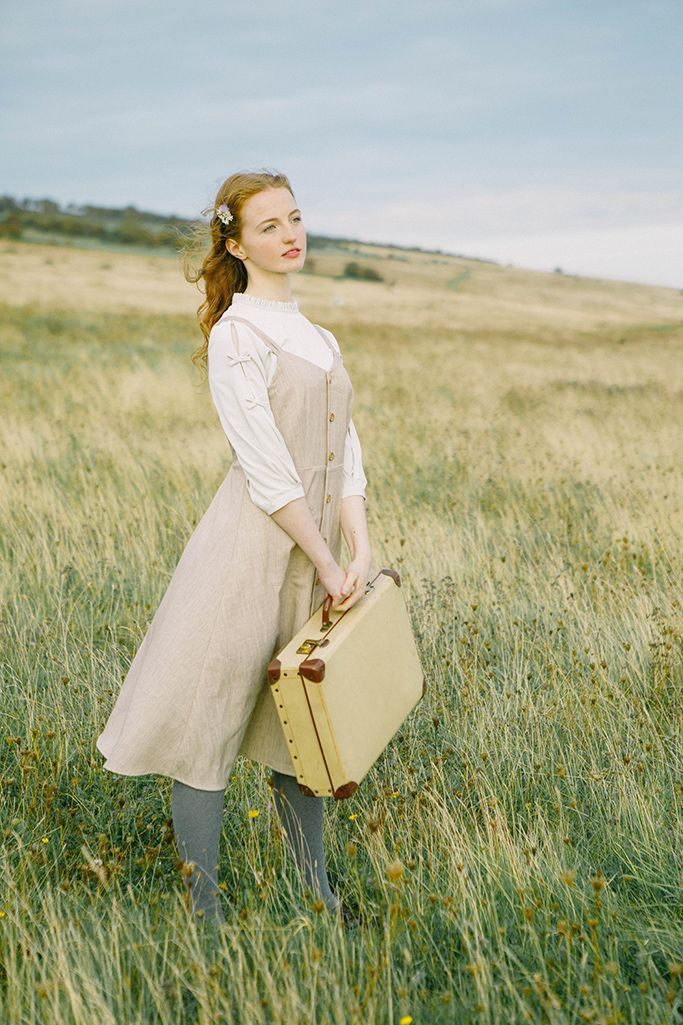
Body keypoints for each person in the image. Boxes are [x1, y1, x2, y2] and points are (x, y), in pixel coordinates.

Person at [95, 169, 375, 926]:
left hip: (318, 555)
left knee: (302, 731)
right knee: (208, 725)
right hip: (248, 556)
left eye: (295, 218)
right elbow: (267, 467)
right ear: (237, 244)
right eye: (269, 226)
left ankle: (317, 897)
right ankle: (206, 916)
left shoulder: (320, 337)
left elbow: (346, 450)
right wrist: (325, 559)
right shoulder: (236, 335)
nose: (290, 235)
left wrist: (357, 545)